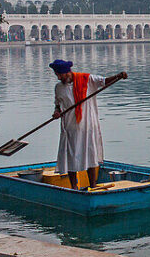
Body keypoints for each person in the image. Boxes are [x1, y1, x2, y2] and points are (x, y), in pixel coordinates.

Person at [48, 59, 127, 190]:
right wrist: (57, 112)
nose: (58, 77)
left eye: (60, 75)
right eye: (57, 75)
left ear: (67, 72)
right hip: (70, 127)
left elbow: (104, 81)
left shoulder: (87, 79)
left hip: (88, 126)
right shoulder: (59, 88)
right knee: (71, 156)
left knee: (91, 154)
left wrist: (118, 76)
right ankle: (74, 186)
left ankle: (93, 185)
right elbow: (57, 104)